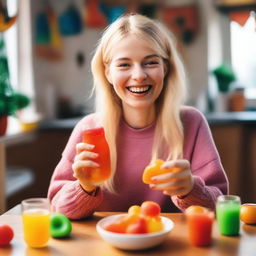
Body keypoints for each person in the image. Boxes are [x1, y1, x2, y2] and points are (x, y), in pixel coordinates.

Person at [48, 13, 228, 219]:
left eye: (150, 62)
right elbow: (58, 209)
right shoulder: (88, 128)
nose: (139, 75)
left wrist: (190, 189)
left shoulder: (192, 123)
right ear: (107, 72)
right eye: (124, 64)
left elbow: (221, 205)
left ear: (165, 67)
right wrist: (85, 186)